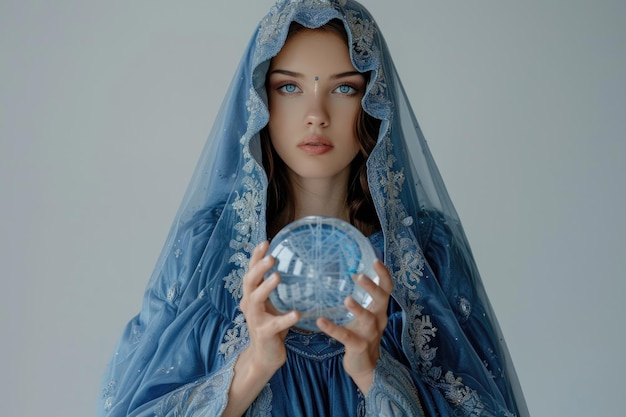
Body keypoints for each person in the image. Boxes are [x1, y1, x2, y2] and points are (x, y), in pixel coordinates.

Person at [96, 1, 528, 416]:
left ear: (373, 102)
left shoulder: (428, 256)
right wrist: (253, 366)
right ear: (259, 101)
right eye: (290, 87)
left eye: (343, 88)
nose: (315, 115)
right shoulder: (205, 254)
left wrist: (375, 372)